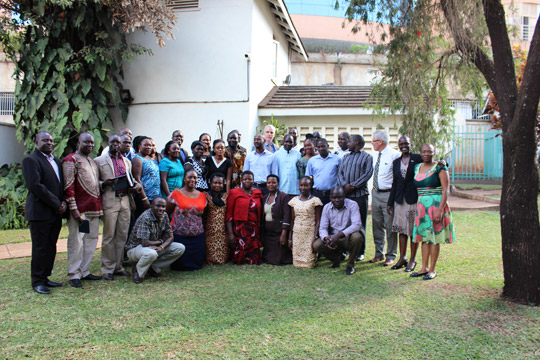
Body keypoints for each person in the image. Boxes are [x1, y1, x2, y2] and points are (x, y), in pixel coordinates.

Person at [22, 132, 67, 294]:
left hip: (55, 213)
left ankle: (46, 276)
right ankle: (37, 281)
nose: (49, 142)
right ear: (36, 142)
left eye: (51, 140)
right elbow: (35, 185)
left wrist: (63, 202)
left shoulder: (56, 161)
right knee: (40, 247)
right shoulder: (31, 160)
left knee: (50, 246)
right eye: (45, 140)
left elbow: (60, 185)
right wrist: (57, 203)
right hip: (40, 212)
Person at [94, 135, 142, 281]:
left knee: (122, 235)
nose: (116, 144)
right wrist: (104, 183)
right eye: (113, 142)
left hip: (125, 200)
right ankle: (107, 268)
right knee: (109, 236)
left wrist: (136, 185)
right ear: (108, 144)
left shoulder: (126, 161)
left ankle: (118, 266)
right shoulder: (99, 161)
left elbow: (130, 179)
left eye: (118, 142)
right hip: (110, 199)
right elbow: (94, 181)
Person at [63, 133, 103, 288]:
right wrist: (73, 208)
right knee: (76, 241)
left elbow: (92, 183)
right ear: (78, 142)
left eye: (92, 143)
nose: (90, 145)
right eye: (86, 142)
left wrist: (103, 184)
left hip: (94, 208)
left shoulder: (92, 162)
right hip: (80, 210)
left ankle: (84, 271)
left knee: (91, 240)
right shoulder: (70, 160)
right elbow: (68, 185)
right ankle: (74, 273)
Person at [410, 144, 455, 280]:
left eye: (430, 151)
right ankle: (423, 268)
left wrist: (440, 210)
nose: (427, 153)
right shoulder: (417, 167)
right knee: (424, 238)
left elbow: (445, 190)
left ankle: (432, 270)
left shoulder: (440, 167)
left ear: (434, 153)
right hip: (422, 207)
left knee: (434, 239)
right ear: (420, 153)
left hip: (436, 206)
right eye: (424, 151)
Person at [125, 197, 185, 284]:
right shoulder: (145, 218)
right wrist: (161, 241)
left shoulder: (164, 216)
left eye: (163, 207)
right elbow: (144, 242)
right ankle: (138, 271)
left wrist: (161, 247)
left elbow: (170, 237)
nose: (161, 209)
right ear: (151, 206)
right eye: (158, 206)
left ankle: (153, 268)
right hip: (135, 248)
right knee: (151, 253)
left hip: (153, 246)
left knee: (180, 248)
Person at [387, 136, 423, 271]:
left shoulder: (418, 159)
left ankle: (412, 260)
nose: (403, 145)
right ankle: (402, 258)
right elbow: (395, 183)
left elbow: (430, 166)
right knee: (401, 230)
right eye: (401, 143)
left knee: (413, 230)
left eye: (406, 143)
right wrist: (390, 203)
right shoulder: (396, 162)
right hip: (399, 201)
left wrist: (443, 164)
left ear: (410, 144)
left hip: (413, 199)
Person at [313, 186, 365, 275]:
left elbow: (357, 225)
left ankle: (350, 265)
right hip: (332, 238)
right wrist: (326, 238)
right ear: (330, 198)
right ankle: (337, 258)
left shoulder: (352, 205)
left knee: (357, 237)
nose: (336, 200)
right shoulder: (326, 207)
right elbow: (323, 228)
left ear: (344, 196)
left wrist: (338, 235)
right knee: (317, 245)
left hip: (347, 237)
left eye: (339, 197)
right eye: (334, 198)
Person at [337, 134, 373, 261]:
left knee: (360, 224)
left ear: (357, 143)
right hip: (346, 196)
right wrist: (344, 186)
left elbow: (367, 174)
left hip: (360, 196)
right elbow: (339, 173)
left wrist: (353, 186)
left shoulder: (367, 157)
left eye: (350, 142)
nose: (347, 144)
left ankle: (359, 251)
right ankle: (345, 249)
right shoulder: (345, 157)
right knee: (345, 223)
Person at [166, 168, 208, 270]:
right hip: (180, 235)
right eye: (189, 177)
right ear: (184, 179)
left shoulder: (202, 196)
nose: (192, 180)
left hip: (197, 236)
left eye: (195, 177)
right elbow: (166, 213)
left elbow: (204, 215)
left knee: (197, 264)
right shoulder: (175, 194)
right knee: (179, 265)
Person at [370, 130, 400, 266]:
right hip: (376, 193)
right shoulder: (374, 155)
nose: (371, 143)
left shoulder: (394, 155)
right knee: (377, 224)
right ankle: (378, 254)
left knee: (390, 225)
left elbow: (398, 178)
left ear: (380, 142)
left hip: (388, 194)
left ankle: (391, 255)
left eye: (373, 141)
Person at [226, 171, 263, 265]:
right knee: (239, 256)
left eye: (250, 179)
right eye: (245, 179)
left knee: (254, 257)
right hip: (240, 228)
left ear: (253, 180)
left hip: (254, 228)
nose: (247, 181)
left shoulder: (257, 193)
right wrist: (230, 233)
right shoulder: (234, 193)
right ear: (241, 180)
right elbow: (229, 214)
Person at [288, 176, 323, 269]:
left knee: (309, 264)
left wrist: (315, 236)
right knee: (296, 264)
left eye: (306, 185)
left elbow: (318, 221)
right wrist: (290, 238)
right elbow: (292, 220)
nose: (303, 188)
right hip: (297, 232)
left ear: (311, 186)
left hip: (309, 232)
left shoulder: (315, 201)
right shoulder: (294, 201)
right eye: (301, 185)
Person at [261, 175, 293, 265]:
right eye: (269, 183)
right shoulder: (264, 198)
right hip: (268, 235)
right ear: (266, 184)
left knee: (279, 259)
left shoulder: (283, 197)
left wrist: (283, 234)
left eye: (274, 182)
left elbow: (287, 216)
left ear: (278, 184)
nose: (271, 185)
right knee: (267, 258)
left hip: (279, 234)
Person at [203, 173, 229, 264]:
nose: (217, 185)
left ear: (223, 184)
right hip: (209, 230)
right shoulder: (205, 196)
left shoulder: (226, 196)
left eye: (220, 183)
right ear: (210, 184)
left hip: (222, 230)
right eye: (215, 183)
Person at [306, 138, 341, 205]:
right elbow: (308, 177)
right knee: (317, 214)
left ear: (327, 146)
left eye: (323, 146)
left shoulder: (337, 159)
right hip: (317, 194)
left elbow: (341, 176)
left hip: (332, 194)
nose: (321, 148)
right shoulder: (312, 160)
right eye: (319, 147)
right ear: (316, 148)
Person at [132, 136, 160, 219]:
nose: (149, 147)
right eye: (146, 145)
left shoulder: (151, 158)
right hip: (144, 197)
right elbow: (137, 180)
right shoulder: (137, 159)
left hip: (155, 197)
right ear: (139, 146)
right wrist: (144, 199)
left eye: (150, 145)